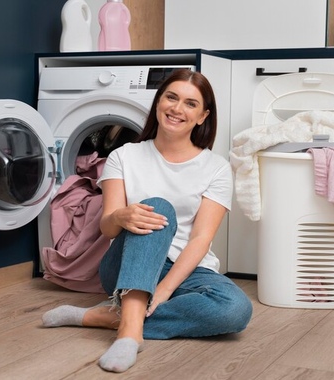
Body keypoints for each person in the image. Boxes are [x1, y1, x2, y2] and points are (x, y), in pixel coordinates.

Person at [41, 69, 253, 373]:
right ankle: (129, 334)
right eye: (171, 97)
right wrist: (121, 216)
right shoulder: (124, 156)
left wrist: (165, 289)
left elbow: (201, 240)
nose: (177, 109)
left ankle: (104, 316)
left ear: (203, 116)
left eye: (190, 104)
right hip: (127, 264)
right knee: (157, 209)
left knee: (235, 310)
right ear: (158, 103)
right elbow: (107, 228)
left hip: (185, 268)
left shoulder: (216, 168)